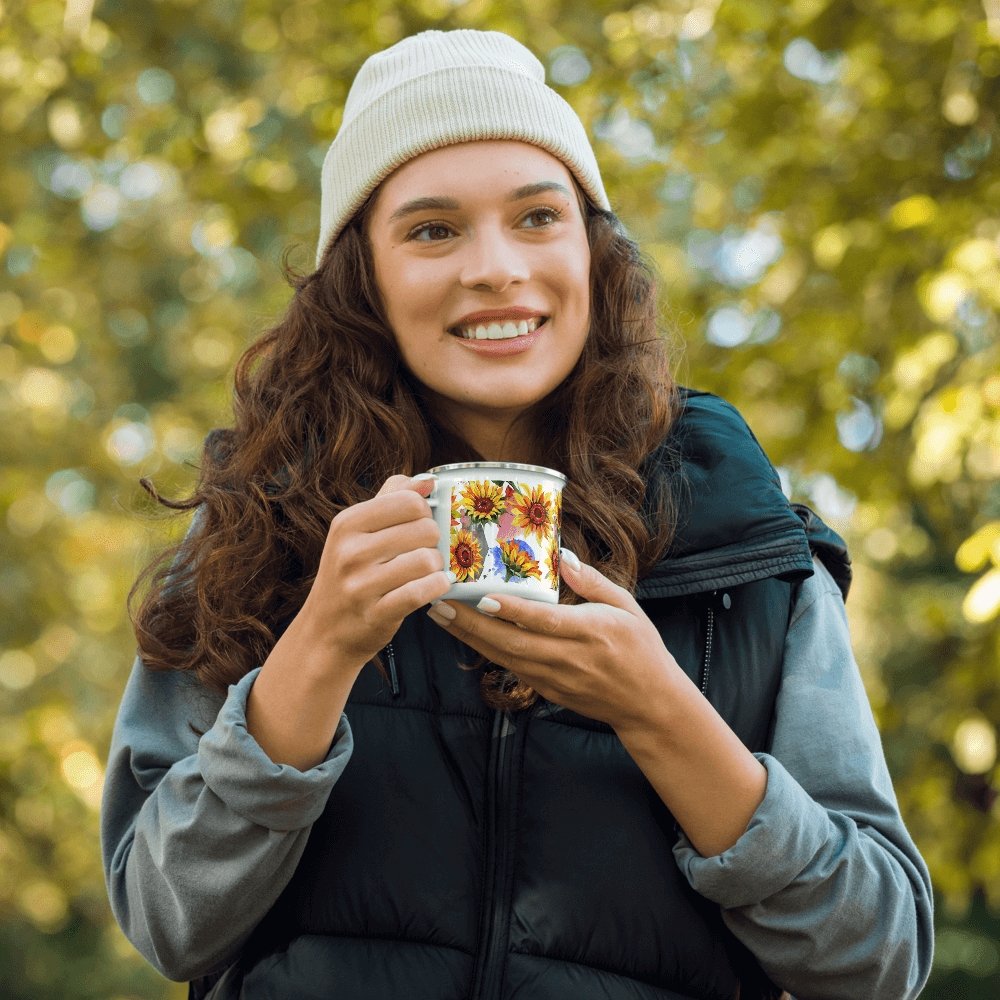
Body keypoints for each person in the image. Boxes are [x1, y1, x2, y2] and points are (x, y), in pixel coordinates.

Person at [101, 28, 933, 1000]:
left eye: (538, 217)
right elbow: (165, 923)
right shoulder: (257, 531)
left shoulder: (743, 550)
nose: (495, 267)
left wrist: (657, 710)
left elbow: (879, 958)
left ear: (593, 251)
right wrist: (318, 647)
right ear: (361, 277)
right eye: (432, 229)